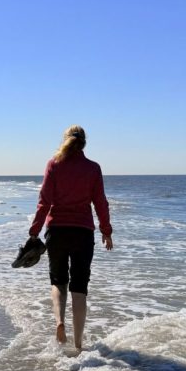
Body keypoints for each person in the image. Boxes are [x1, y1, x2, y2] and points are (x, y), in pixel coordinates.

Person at [29, 125, 113, 352]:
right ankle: (78, 345)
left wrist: (34, 230)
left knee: (58, 282)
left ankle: (59, 323)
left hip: (56, 231)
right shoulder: (93, 168)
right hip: (83, 233)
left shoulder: (53, 164)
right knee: (79, 288)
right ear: (84, 143)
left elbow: (44, 200)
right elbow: (100, 202)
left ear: (64, 140)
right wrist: (106, 231)